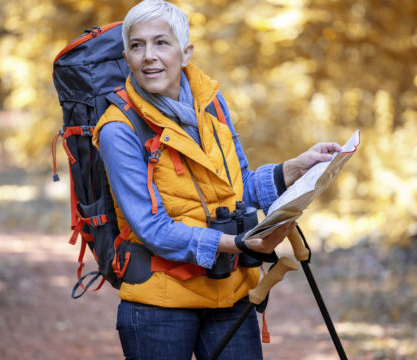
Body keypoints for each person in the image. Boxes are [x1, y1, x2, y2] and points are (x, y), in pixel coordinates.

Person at [92, 1, 342, 359]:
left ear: (185, 52)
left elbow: (237, 187)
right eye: (137, 45)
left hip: (230, 294)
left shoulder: (212, 104)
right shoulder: (120, 130)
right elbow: (151, 228)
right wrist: (238, 244)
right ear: (126, 56)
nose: (149, 56)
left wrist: (295, 168)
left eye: (161, 42)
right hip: (159, 305)